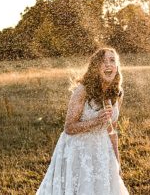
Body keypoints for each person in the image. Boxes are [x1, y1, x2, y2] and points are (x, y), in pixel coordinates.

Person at [36, 48, 129, 195]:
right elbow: (69, 127)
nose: (108, 65)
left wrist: (117, 162)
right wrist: (96, 120)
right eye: (103, 62)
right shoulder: (83, 90)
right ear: (96, 67)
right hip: (78, 152)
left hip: (101, 151)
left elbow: (112, 129)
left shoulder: (118, 93)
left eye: (112, 61)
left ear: (117, 67)